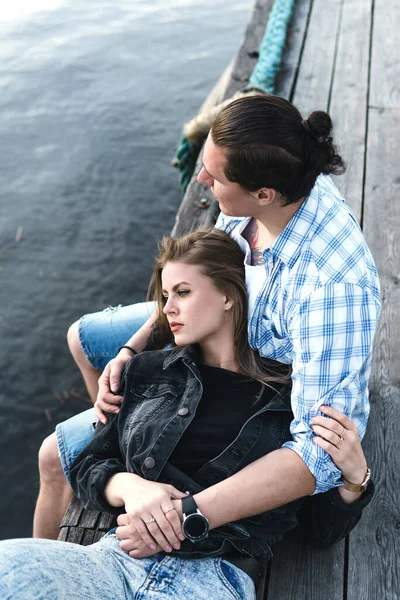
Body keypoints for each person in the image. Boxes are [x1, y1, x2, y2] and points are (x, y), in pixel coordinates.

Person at [33, 94, 380, 539]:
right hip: (217, 316)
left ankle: (105, 467)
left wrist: (185, 516)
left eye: (214, 178)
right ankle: (118, 428)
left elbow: (319, 451)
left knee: (51, 458)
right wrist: (130, 353)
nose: (200, 179)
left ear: (262, 194)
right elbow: (202, 274)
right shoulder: (272, 186)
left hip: (241, 375)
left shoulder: (332, 288)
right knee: (84, 340)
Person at [1, 230, 374, 600]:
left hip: (213, 578)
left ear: (228, 295)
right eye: (165, 296)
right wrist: (133, 488)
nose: (167, 309)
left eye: (182, 292)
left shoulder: (289, 400)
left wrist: (355, 480)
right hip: (116, 559)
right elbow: (90, 463)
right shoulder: (148, 371)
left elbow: (319, 532)